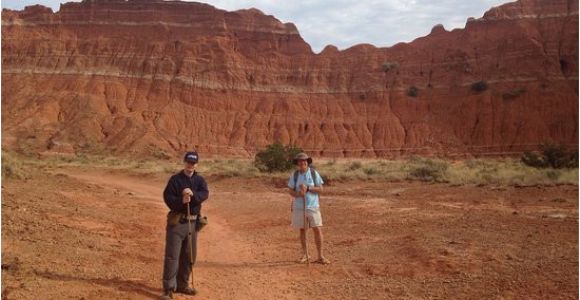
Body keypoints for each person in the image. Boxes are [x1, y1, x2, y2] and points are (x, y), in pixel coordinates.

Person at [161, 151, 209, 300]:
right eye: (188, 162)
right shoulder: (175, 180)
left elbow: (204, 194)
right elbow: (167, 197)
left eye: (193, 163)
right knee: (172, 256)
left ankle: (183, 285)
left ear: (197, 164)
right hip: (177, 224)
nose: (191, 165)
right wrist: (181, 200)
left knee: (189, 256)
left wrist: (193, 194)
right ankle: (168, 289)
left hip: (193, 224)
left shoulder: (200, 180)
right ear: (184, 162)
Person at [288, 152, 330, 265]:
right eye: (300, 161)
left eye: (305, 161)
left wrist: (308, 188)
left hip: (313, 206)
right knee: (302, 230)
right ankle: (305, 254)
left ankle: (320, 256)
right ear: (297, 163)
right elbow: (290, 190)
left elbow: (321, 189)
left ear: (308, 162)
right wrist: (298, 194)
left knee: (317, 229)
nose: (303, 163)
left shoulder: (313, 173)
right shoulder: (295, 175)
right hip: (299, 206)